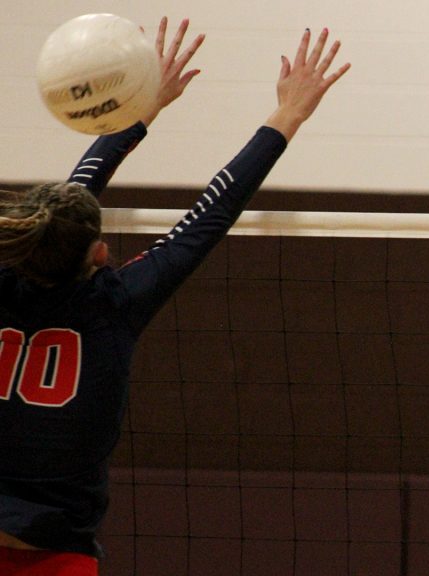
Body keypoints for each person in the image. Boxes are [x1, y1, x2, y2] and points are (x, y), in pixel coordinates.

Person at [0, 17, 350, 575]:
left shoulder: (10, 277)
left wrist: (141, 107)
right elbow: (211, 213)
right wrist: (288, 114)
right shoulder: (113, 306)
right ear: (99, 254)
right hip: (55, 554)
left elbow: (77, 192)